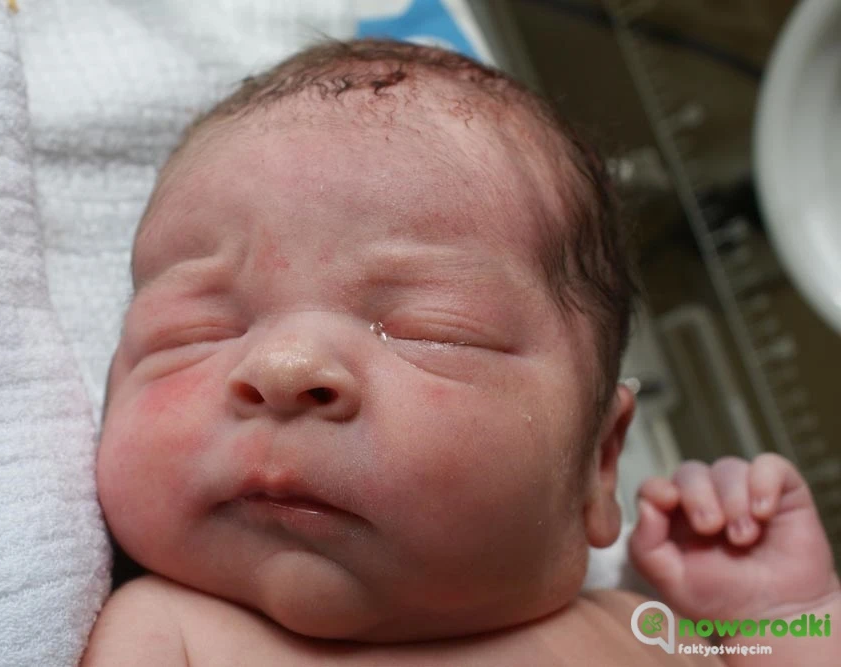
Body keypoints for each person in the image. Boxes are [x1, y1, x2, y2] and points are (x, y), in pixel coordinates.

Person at [82, 39, 840, 665]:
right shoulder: (168, 635)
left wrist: (780, 617)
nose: (284, 370)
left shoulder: (646, 634)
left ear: (599, 463)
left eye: (432, 328)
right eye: (197, 331)